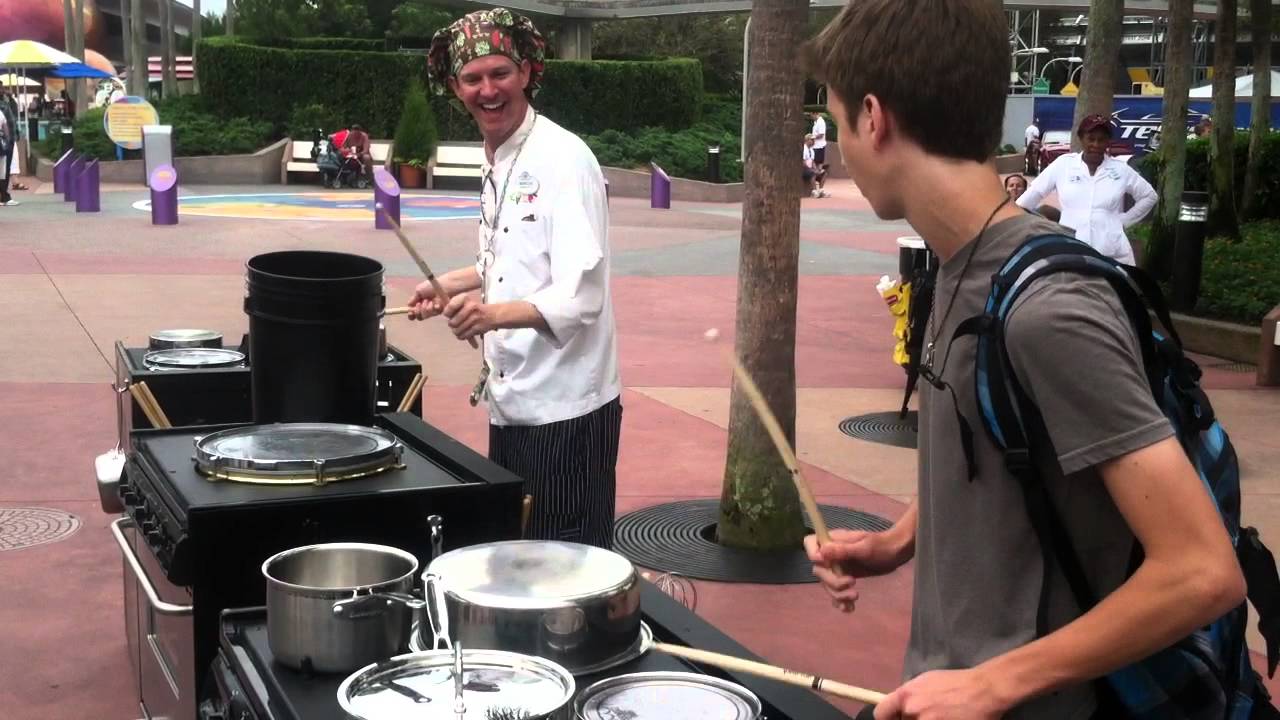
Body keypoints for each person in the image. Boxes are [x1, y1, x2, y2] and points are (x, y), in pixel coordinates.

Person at [802, 1, 1245, 718]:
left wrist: (992, 683)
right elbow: (997, 444)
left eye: (837, 120)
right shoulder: (957, 265)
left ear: (874, 118)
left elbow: (1201, 572)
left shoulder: (1051, 310)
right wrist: (898, 543)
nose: (842, 148)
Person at [410, 7, 622, 549]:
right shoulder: (498, 156)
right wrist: (450, 286)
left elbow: (582, 295)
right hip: (511, 402)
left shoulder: (564, 160)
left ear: (526, 72)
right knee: (518, 555)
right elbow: (508, 261)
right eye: (472, 78)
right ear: (455, 87)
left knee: (563, 562)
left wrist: (487, 316)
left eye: (500, 73)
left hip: (566, 410)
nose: (488, 90)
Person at [1015, 114, 1156, 265]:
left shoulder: (1120, 169)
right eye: (1091, 139)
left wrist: (1123, 221)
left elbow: (1149, 196)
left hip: (1112, 253)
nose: (1096, 144)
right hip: (1071, 250)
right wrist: (1014, 222)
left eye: (1101, 140)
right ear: (1081, 139)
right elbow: (1031, 196)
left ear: (1108, 141)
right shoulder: (1063, 165)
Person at [803, 133, 829, 198]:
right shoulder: (803, 149)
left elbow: (813, 162)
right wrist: (812, 170)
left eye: (814, 140)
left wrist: (816, 169)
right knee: (813, 173)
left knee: (824, 173)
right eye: (812, 140)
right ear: (807, 140)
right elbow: (803, 162)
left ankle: (821, 190)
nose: (813, 141)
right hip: (803, 169)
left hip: (810, 169)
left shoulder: (812, 150)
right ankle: (814, 192)